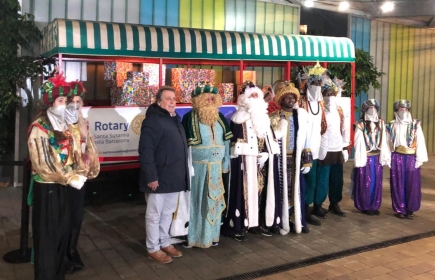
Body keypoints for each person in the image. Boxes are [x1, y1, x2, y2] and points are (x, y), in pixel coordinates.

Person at [28, 75, 87, 280]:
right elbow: (43, 163)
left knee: (62, 235)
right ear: (50, 103)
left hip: (64, 187)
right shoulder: (40, 128)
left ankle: (58, 275)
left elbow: (75, 152)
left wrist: (79, 170)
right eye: (62, 101)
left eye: (66, 101)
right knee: (48, 239)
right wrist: (69, 177)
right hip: (48, 189)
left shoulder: (64, 126)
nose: (66, 105)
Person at [139, 86, 189, 263]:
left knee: (168, 213)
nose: (172, 101)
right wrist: (151, 176)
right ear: (159, 101)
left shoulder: (175, 119)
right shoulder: (152, 121)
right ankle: (152, 248)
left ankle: (164, 242)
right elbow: (146, 151)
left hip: (173, 177)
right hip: (158, 178)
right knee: (154, 215)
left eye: (174, 98)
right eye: (168, 98)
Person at [180, 83, 233, 248]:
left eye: (213, 98)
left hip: (216, 167)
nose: (210, 100)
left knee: (214, 201)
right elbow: (185, 147)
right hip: (198, 168)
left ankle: (213, 236)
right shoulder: (189, 117)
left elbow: (226, 140)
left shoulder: (220, 117)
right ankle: (194, 238)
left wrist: (225, 163)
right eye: (206, 98)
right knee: (197, 202)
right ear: (198, 100)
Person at [221, 82, 275, 241]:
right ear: (244, 98)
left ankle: (255, 222)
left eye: (256, 95)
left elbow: (267, 137)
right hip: (243, 161)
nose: (254, 98)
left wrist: (265, 153)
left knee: (260, 190)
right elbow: (234, 143)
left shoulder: (263, 116)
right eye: (251, 95)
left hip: (261, 162)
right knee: (242, 192)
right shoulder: (238, 117)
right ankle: (239, 224)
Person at [64, 81, 100, 273]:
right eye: (72, 101)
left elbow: (88, 149)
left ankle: (72, 250)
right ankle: (63, 253)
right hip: (65, 177)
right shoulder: (60, 124)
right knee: (66, 216)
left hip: (80, 177)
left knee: (77, 216)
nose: (76, 105)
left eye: (79, 101)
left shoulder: (83, 123)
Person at [269, 82, 312, 234]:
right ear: (281, 100)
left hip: (296, 159)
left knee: (298, 190)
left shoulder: (300, 116)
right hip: (279, 160)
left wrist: (307, 159)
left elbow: (307, 138)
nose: (291, 100)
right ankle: (280, 220)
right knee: (280, 190)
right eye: (287, 98)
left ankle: (298, 220)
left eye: (293, 98)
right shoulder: (273, 117)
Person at [386, 100, 428, 219]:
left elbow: (420, 141)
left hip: (411, 157)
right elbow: (387, 142)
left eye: (405, 109)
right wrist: (387, 157)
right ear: (396, 111)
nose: (403, 111)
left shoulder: (415, 124)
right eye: (400, 109)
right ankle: (400, 209)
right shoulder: (391, 125)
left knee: (412, 183)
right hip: (397, 156)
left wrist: (420, 158)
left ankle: (410, 209)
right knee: (397, 183)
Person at [296, 63, 326, 226]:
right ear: (307, 84)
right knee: (299, 180)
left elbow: (322, 127)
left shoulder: (320, 105)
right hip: (300, 150)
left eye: (319, 84)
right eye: (314, 83)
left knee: (312, 181)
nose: (317, 87)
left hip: (314, 150)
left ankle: (306, 210)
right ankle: (297, 210)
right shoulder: (300, 103)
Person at [315, 76, 349, 217]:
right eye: (326, 94)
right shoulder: (319, 110)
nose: (329, 97)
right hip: (324, 149)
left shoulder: (339, 110)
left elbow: (345, 129)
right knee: (322, 180)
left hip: (337, 148)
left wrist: (345, 146)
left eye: (331, 94)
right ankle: (317, 205)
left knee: (337, 179)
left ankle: (335, 203)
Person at [352, 99, 390, 215]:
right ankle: (365, 205)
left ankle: (375, 204)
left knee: (376, 181)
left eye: (374, 108)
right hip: (366, 157)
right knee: (366, 181)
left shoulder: (381, 123)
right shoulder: (360, 124)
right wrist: (360, 158)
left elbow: (384, 140)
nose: (372, 110)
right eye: (370, 108)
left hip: (376, 158)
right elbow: (358, 142)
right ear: (365, 110)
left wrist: (385, 155)